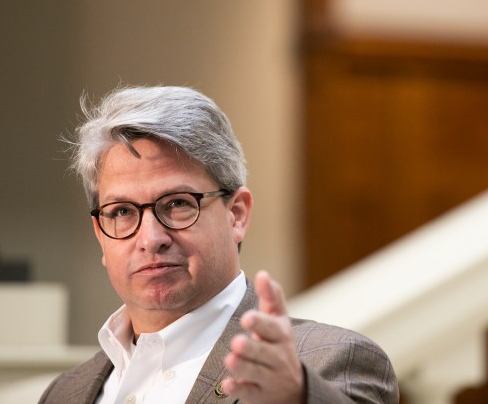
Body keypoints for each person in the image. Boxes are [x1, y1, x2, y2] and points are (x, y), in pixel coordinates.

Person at [39, 85, 398, 404]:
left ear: (237, 215)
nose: (150, 239)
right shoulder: (66, 392)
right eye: (121, 211)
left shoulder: (324, 362)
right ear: (100, 234)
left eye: (178, 204)